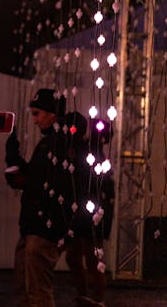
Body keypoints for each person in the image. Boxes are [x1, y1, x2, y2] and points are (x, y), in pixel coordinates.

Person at [4, 88, 72, 307]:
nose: (33, 120)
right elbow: (35, 180)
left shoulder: (59, 144)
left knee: (37, 294)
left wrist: (17, 168)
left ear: (52, 113)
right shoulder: (48, 143)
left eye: (36, 114)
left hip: (43, 230)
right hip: (34, 227)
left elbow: (40, 184)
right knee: (26, 291)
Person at [63, 112, 114, 307]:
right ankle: (84, 295)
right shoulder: (82, 150)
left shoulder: (96, 154)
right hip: (81, 212)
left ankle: (98, 299)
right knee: (74, 257)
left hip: (93, 213)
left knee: (93, 260)